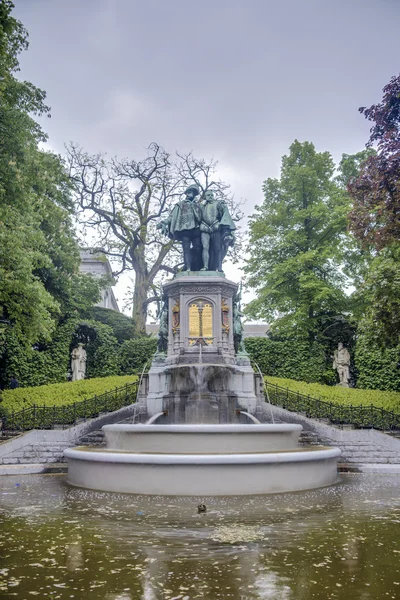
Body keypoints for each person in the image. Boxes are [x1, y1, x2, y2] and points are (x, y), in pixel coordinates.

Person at [157, 185, 202, 271]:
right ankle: (188, 267)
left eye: (190, 192)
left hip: (196, 229)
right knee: (186, 249)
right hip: (184, 229)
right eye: (188, 192)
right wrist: (163, 223)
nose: (189, 194)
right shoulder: (180, 204)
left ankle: (196, 267)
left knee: (198, 248)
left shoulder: (198, 205)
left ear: (194, 194)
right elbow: (172, 216)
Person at [199, 190, 236, 272]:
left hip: (216, 227)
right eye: (208, 195)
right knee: (205, 247)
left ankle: (219, 267)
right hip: (204, 228)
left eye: (211, 195)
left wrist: (227, 230)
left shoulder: (218, 204)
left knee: (218, 248)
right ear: (205, 197)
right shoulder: (202, 206)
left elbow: (225, 214)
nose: (210, 196)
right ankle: (205, 266)